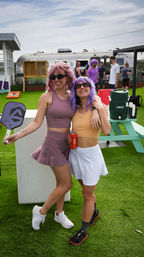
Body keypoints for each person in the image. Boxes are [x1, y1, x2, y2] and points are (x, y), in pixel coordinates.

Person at [4, 62, 99, 232]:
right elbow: (36, 122)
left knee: (60, 182)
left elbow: (91, 99)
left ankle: (59, 214)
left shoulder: (72, 95)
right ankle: (40, 211)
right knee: (66, 184)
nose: (56, 80)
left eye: (60, 76)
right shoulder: (46, 97)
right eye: (53, 77)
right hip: (53, 144)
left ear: (68, 77)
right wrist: (17, 135)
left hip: (68, 144)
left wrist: (97, 111)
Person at [68, 76, 111, 246]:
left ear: (91, 87)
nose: (82, 87)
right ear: (75, 90)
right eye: (78, 85)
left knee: (87, 193)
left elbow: (107, 131)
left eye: (86, 84)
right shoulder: (74, 108)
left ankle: (83, 230)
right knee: (86, 189)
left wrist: (98, 109)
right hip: (75, 154)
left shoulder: (99, 107)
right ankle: (95, 211)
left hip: (91, 156)